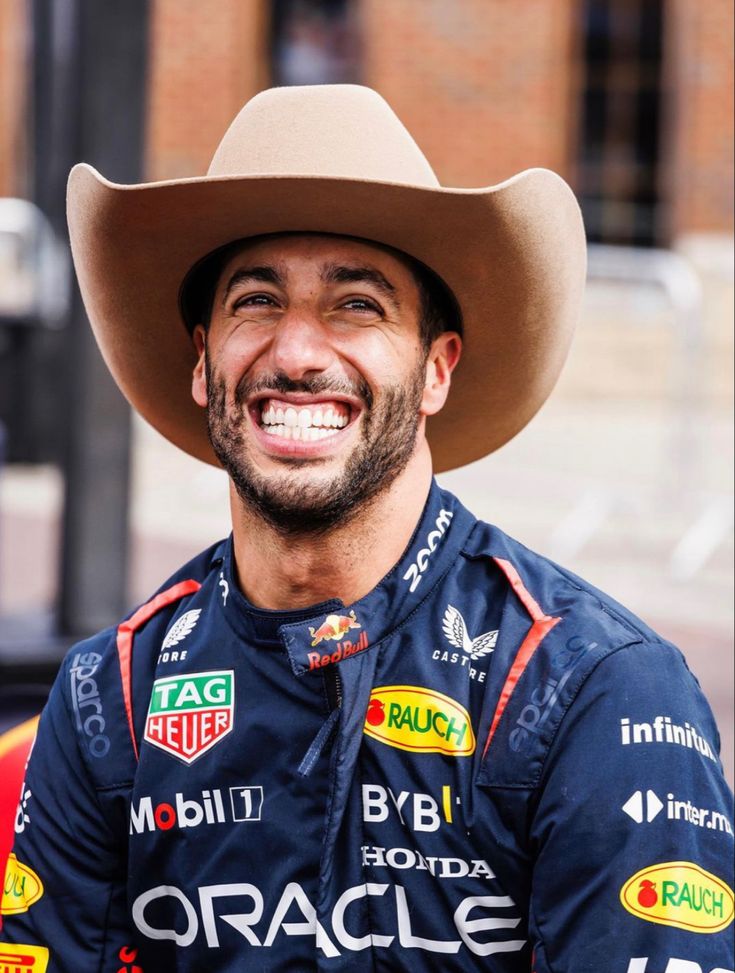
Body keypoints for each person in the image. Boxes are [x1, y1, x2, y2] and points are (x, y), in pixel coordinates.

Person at [1, 85, 732, 973]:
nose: (298, 353)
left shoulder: (593, 689)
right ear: (203, 362)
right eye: (257, 302)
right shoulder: (109, 692)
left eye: (357, 305)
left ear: (435, 370)